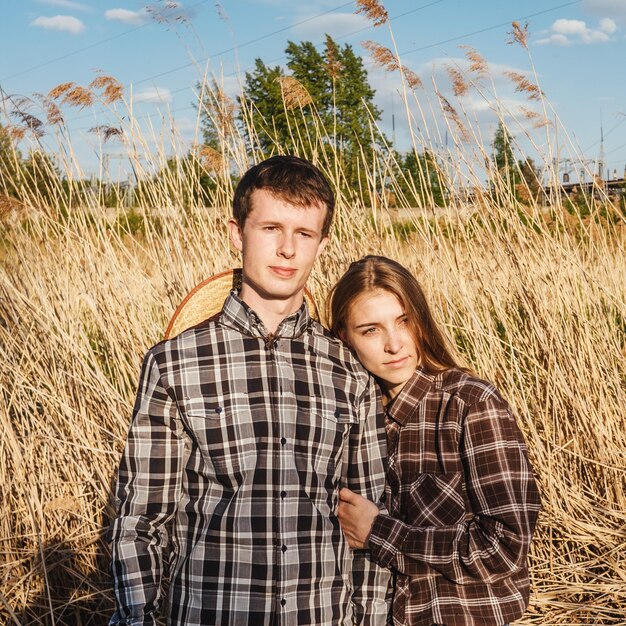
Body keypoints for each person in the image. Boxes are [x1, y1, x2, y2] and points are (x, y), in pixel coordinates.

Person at [109, 157, 390, 625]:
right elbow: (140, 521)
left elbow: (367, 521)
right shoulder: (173, 365)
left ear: (323, 244)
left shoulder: (349, 371)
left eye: (304, 234)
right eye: (270, 228)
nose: (286, 249)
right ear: (237, 233)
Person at [330, 255, 541, 626]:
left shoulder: (471, 405)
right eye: (371, 330)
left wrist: (379, 532)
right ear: (345, 337)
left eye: (403, 321)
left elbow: (504, 548)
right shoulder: (349, 419)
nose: (395, 344)